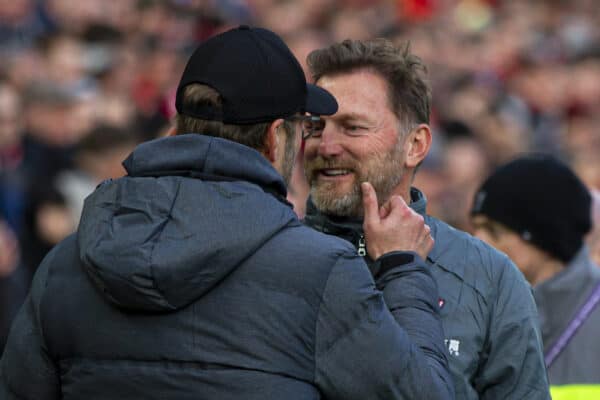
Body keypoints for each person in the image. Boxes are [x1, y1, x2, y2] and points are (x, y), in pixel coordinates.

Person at [0, 26, 453, 399]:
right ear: (277, 137)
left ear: (177, 128)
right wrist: (402, 265)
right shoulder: (321, 272)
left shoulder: (66, 261)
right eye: (305, 127)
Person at [302, 38, 550, 399]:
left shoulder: (489, 279)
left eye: (352, 127)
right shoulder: (269, 260)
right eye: (316, 126)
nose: (326, 146)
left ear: (415, 145)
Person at [471, 154, 600, 399]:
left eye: (493, 230)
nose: (477, 241)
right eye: (475, 227)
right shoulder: (476, 312)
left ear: (544, 237)